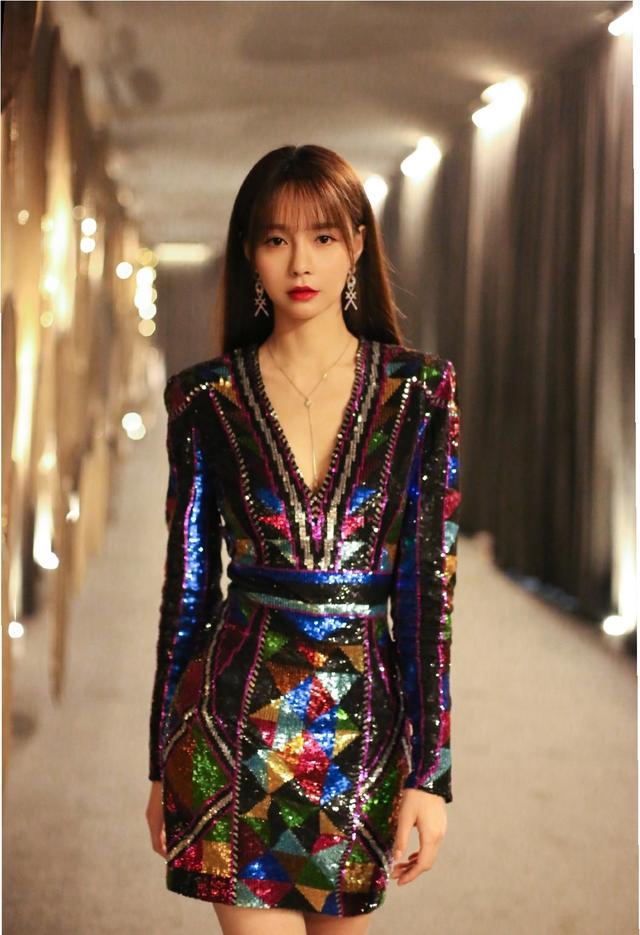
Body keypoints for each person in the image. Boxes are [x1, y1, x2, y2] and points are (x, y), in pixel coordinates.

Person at [145, 144, 461, 935]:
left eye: (322, 236)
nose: (300, 262)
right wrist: (159, 759)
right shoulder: (206, 398)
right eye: (276, 238)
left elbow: (429, 593)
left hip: (362, 731)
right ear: (249, 253)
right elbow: (187, 589)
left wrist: (431, 772)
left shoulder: (419, 394)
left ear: (357, 245)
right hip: (231, 727)